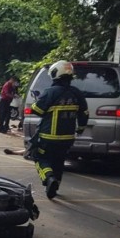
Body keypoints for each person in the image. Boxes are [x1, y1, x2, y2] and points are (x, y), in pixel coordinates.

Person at [29, 60, 88, 199]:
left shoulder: (51, 92)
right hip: (67, 138)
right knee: (59, 161)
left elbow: (37, 110)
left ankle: (49, 178)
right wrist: (80, 129)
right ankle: (54, 188)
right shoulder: (77, 93)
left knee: (40, 158)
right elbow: (84, 114)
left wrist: (37, 101)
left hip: (48, 136)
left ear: (55, 74)